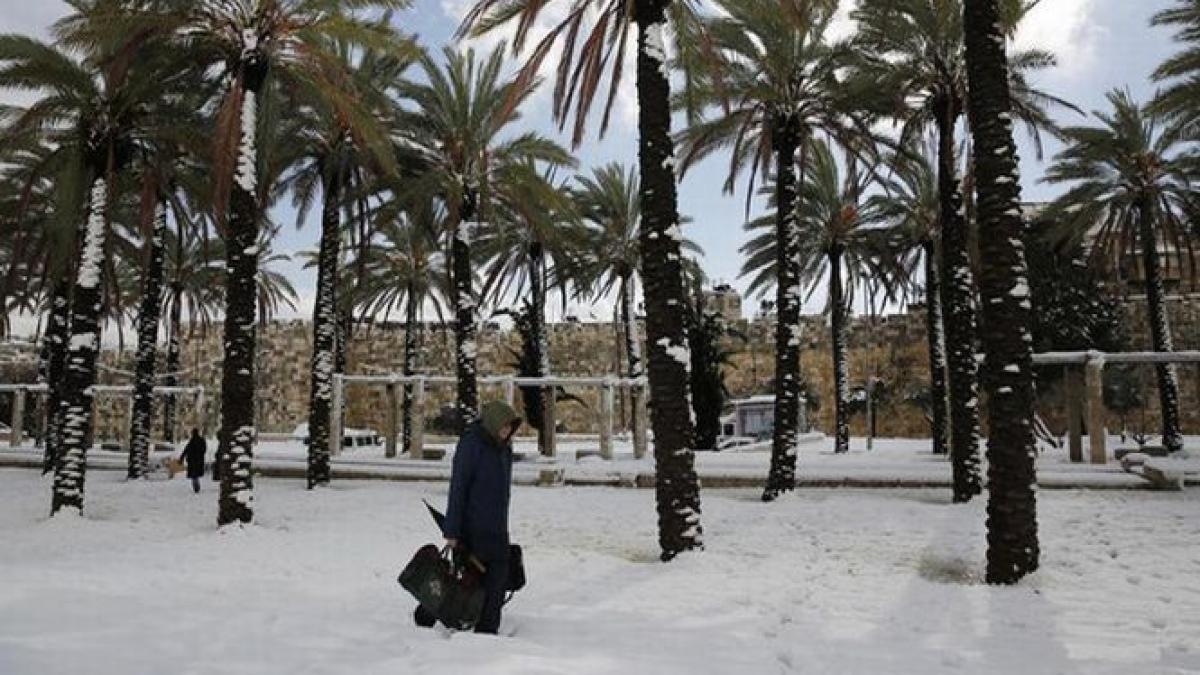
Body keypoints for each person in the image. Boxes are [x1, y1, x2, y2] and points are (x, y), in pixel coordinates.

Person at [442, 400, 521, 635]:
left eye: (510, 427)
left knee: (497, 578)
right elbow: (459, 488)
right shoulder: (472, 446)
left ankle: (488, 630)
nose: (507, 432)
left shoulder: (504, 449)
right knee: (468, 582)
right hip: (472, 528)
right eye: (504, 426)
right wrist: (452, 530)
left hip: (497, 528)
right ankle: (435, 615)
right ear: (493, 423)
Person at [179, 428, 206, 494]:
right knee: (195, 474)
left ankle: (196, 486)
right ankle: (196, 486)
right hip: (199, 460)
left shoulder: (192, 441)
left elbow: (186, 450)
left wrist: (181, 458)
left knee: (194, 475)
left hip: (192, 460)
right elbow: (204, 450)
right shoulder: (201, 440)